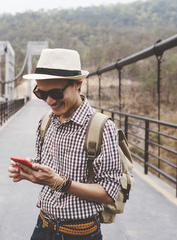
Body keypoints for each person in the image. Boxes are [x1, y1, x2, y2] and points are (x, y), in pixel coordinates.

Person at [8, 48, 122, 240]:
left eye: (55, 92)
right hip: (43, 225)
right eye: (41, 94)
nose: (49, 101)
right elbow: (49, 167)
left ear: (78, 84)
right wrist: (29, 171)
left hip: (81, 233)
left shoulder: (102, 127)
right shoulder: (46, 121)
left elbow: (109, 193)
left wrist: (58, 183)